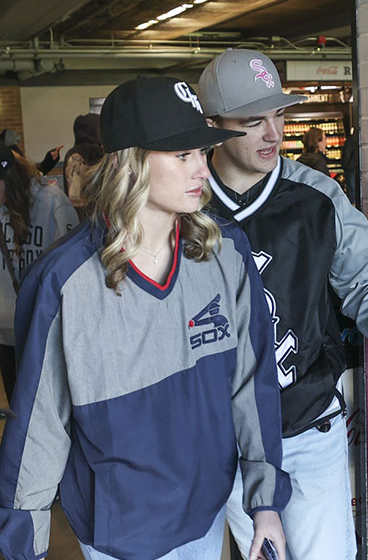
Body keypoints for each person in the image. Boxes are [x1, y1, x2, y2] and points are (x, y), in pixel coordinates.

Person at [0, 77, 291, 560]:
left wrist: (265, 502)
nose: (202, 168)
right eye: (182, 156)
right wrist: (21, 545)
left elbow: (251, 382)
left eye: (202, 151)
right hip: (118, 530)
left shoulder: (225, 253)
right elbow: (39, 426)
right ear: (128, 162)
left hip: (206, 511)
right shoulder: (64, 282)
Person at [197, 49, 368, 560]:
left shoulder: (317, 196)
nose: (273, 134)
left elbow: (367, 283)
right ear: (212, 126)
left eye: (279, 115)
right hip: (223, 440)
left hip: (308, 425)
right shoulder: (185, 205)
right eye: (253, 122)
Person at [0, 145, 78, 401]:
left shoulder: (51, 200)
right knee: (16, 407)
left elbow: (72, 266)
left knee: (45, 403)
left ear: (6, 180)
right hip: (5, 333)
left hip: (41, 329)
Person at [62, 112, 106, 215]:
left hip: (98, 216)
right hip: (87, 219)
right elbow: (76, 198)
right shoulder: (77, 155)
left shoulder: (98, 152)